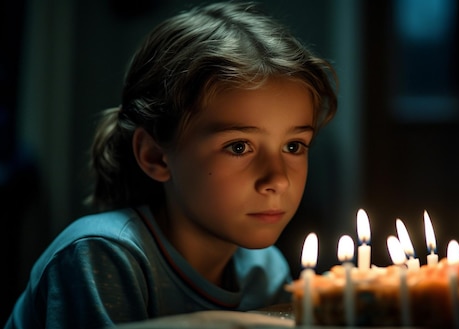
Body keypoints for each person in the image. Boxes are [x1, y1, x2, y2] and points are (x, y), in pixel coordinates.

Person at [4, 1, 337, 328]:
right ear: (155, 156)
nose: (277, 179)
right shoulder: (100, 257)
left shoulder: (264, 269)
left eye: (293, 146)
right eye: (238, 146)